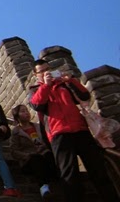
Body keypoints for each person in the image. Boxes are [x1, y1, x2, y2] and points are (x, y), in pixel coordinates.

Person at [29, 59, 118, 202]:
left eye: (48, 69)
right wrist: (46, 85)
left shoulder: (64, 84)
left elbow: (84, 96)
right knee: (69, 174)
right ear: (36, 74)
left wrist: (71, 80)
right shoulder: (35, 90)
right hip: (58, 134)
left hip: (81, 130)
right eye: (42, 71)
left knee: (98, 170)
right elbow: (37, 105)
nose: (46, 72)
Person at [10, 104, 59, 199]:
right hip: (29, 160)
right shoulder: (16, 132)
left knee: (50, 156)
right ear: (17, 115)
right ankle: (44, 188)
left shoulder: (38, 127)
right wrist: (27, 155)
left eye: (27, 110)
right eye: (22, 111)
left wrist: (44, 147)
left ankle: (58, 182)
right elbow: (14, 151)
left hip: (44, 154)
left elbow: (47, 141)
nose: (26, 113)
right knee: (36, 159)